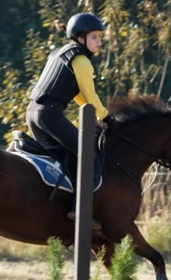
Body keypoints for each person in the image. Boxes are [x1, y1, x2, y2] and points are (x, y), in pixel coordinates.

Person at [26, 12, 118, 229]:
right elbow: (90, 94)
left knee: (65, 156)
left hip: (32, 114)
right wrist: (106, 117)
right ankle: (80, 210)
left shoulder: (60, 54)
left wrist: (94, 115)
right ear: (80, 38)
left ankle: (58, 205)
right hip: (49, 115)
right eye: (94, 37)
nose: (99, 41)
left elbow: (78, 95)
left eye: (99, 36)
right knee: (88, 154)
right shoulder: (82, 60)